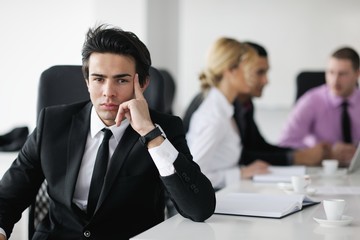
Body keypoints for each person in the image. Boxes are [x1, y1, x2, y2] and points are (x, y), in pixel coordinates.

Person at [0, 24, 215, 240]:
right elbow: (7, 197)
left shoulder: (164, 129)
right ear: (87, 81)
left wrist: (150, 134)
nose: (108, 93)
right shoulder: (52, 123)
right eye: (99, 79)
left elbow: (199, 209)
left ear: (143, 83)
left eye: (121, 80)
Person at [186, 37, 270, 190]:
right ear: (230, 70)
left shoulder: (227, 109)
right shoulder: (214, 117)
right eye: (249, 68)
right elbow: (192, 176)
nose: (253, 76)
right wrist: (240, 173)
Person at [235, 42, 327, 166]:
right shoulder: (224, 108)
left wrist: (302, 153)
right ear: (238, 71)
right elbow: (238, 157)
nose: (266, 81)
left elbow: (259, 147)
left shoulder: (246, 104)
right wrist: (295, 158)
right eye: (259, 72)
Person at [279, 46, 360, 167]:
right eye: (331, 72)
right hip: (321, 169)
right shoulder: (311, 101)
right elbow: (284, 143)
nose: (335, 80)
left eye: (342, 74)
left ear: (357, 73)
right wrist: (324, 153)